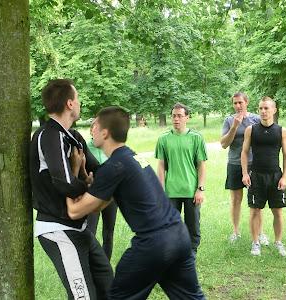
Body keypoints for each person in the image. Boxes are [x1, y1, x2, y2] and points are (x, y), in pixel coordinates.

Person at [66, 106, 205, 300]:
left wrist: (71, 170)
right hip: (179, 237)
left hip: (152, 245)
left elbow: (74, 212)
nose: (91, 130)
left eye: (95, 126)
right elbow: (98, 205)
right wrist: (84, 175)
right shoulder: (134, 157)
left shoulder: (114, 166)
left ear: (105, 133)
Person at [29, 79, 113, 299]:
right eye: (77, 99)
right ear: (69, 104)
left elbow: (99, 171)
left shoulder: (73, 136)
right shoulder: (48, 136)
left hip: (80, 229)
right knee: (83, 296)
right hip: (58, 230)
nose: (79, 103)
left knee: (107, 285)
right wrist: (85, 180)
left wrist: (122, 168)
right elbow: (65, 183)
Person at [155, 103, 207, 255]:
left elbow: (201, 165)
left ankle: (191, 253)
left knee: (193, 226)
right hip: (171, 191)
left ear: (187, 117)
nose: (176, 119)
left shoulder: (196, 138)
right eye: (173, 116)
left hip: (191, 190)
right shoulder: (164, 139)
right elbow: (161, 165)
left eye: (179, 116)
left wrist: (200, 189)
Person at [241, 97, 286, 256]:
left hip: (276, 176)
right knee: (255, 210)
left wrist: (284, 177)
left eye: (266, 108)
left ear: (274, 110)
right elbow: (244, 152)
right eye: (261, 108)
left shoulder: (282, 131)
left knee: (277, 211)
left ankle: (278, 242)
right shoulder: (251, 130)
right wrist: (244, 173)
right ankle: (255, 243)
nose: (263, 111)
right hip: (256, 176)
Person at [220, 92, 269, 245]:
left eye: (240, 102)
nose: (238, 106)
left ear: (246, 102)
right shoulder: (229, 120)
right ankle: (235, 231)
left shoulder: (256, 119)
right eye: (235, 103)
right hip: (234, 164)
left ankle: (260, 232)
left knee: (257, 201)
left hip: (254, 164)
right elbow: (223, 144)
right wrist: (234, 127)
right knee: (236, 200)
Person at [87, 119, 118, 260]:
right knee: (90, 232)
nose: (97, 132)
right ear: (91, 130)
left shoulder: (111, 149)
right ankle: (92, 262)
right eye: (94, 128)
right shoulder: (85, 148)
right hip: (93, 196)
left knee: (108, 232)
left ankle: (106, 264)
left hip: (111, 197)